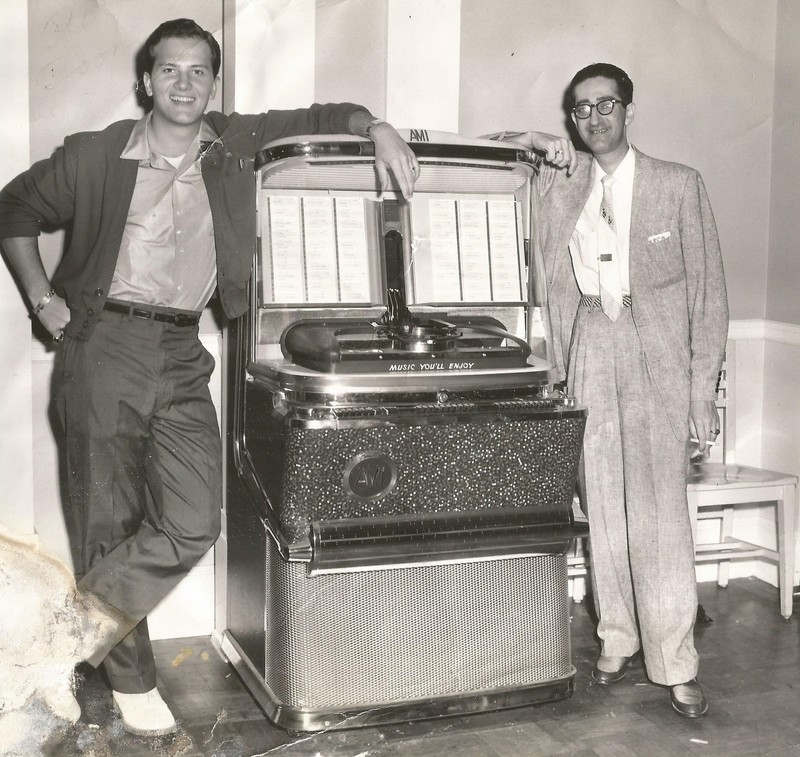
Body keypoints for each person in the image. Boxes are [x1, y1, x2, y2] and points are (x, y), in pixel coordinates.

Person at [0, 18, 419, 737]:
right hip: (102, 345)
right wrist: (44, 300)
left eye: (199, 71)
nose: (184, 83)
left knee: (197, 517)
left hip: (181, 350)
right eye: (170, 70)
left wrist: (376, 124)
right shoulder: (96, 155)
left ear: (214, 83)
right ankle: (131, 683)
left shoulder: (234, 145)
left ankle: (62, 640)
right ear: (146, 80)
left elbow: (317, 117)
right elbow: (12, 210)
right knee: (108, 520)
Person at [496, 63, 728, 717]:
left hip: (656, 355)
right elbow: (541, 259)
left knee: (658, 515)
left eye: (606, 105)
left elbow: (708, 297)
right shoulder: (563, 185)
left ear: (629, 110)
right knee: (602, 502)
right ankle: (618, 638)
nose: (594, 119)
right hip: (590, 347)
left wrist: (700, 391)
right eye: (580, 110)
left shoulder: (678, 186)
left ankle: (675, 660)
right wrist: (543, 151)